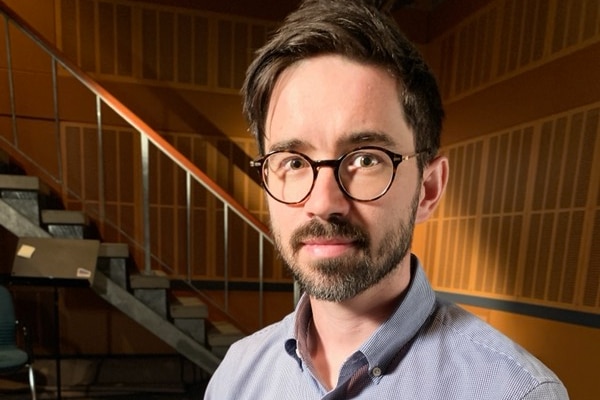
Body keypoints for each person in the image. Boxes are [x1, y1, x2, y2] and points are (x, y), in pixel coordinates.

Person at [204, 0, 569, 398]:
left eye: (365, 158)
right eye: (293, 162)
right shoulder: (235, 375)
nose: (324, 202)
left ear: (428, 189)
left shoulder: (517, 392)